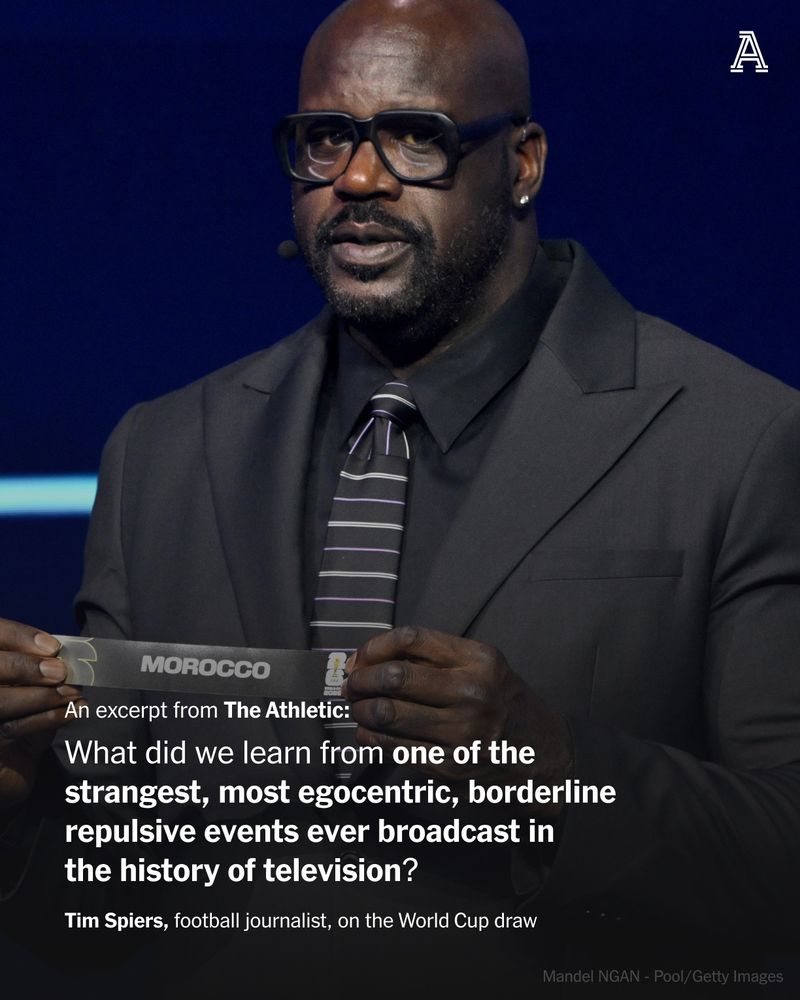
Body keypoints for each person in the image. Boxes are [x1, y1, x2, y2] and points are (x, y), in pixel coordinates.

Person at [2, 0, 799, 994]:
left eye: (415, 137)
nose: (357, 179)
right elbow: (109, 905)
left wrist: (553, 771)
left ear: (522, 163)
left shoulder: (741, 437)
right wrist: (18, 805)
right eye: (325, 137)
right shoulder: (161, 452)